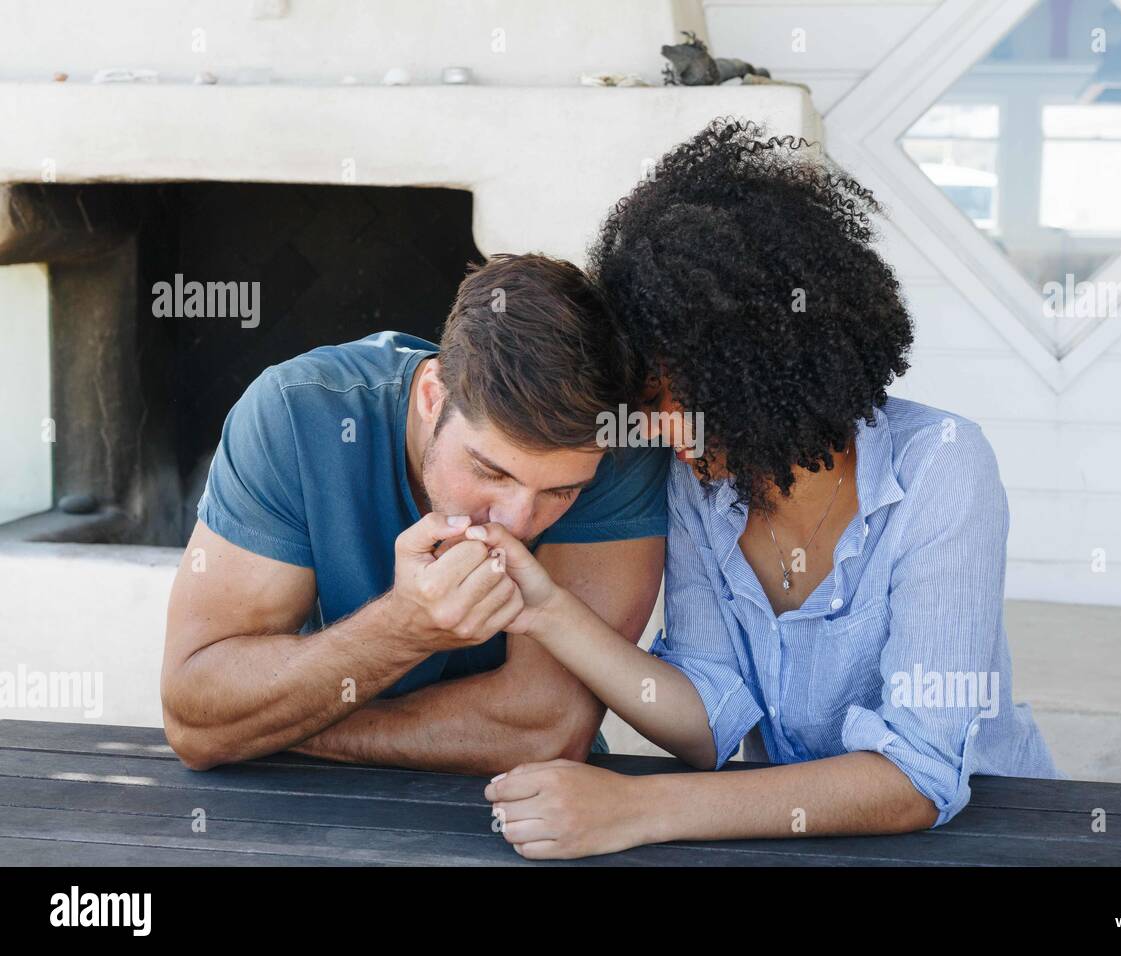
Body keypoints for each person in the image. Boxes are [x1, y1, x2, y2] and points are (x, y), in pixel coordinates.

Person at [476, 120, 1062, 859]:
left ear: (762, 360)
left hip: (999, 835)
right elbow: (708, 722)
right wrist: (549, 612)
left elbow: (917, 775)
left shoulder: (944, 467)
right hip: (801, 840)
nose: (652, 429)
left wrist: (637, 806)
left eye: (667, 397)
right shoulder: (705, 486)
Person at [161, 253, 669, 774]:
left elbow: (544, 731)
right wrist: (402, 629)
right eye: (491, 472)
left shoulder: (617, 446)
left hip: (531, 812)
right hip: (309, 809)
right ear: (432, 395)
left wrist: (274, 726)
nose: (517, 524)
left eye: (562, 492)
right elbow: (197, 718)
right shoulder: (295, 413)